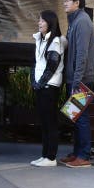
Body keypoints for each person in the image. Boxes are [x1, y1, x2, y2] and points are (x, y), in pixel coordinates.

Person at [60, 0, 94, 168]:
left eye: (67, 1)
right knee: (75, 116)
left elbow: (82, 55)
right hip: (74, 77)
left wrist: (76, 81)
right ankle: (76, 153)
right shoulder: (74, 20)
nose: (64, 4)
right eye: (65, 0)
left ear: (77, 2)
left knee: (81, 118)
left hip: (80, 78)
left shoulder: (82, 22)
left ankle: (84, 155)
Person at [30, 10, 66, 167]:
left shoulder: (55, 42)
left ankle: (51, 157)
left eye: (42, 21)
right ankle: (45, 155)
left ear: (50, 23)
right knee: (44, 122)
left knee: (50, 122)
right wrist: (35, 82)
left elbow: (52, 66)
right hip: (41, 86)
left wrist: (39, 83)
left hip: (49, 87)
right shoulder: (41, 39)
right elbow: (36, 63)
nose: (39, 23)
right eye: (39, 20)